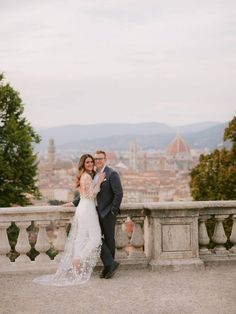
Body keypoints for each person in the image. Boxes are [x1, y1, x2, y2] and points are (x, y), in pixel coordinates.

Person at [34, 154, 105, 286]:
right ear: (83, 164)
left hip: (82, 208)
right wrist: (100, 181)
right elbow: (91, 195)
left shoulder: (83, 175)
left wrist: (72, 203)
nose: (90, 164)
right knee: (95, 238)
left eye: (91, 162)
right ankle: (78, 259)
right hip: (88, 208)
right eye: (87, 162)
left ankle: (76, 263)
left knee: (81, 237)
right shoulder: (88, 176)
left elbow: (84, 195)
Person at [72, 150, 123, 279]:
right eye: (96, 159)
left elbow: (119, 193)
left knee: (108, 240)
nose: (97, 161)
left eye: (100, 159)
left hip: (107, 213)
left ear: (105, 159)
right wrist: (74, 202)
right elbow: (87, 192)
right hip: (93, 212)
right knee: (97, 239)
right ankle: (109, 264)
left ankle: (109, 268)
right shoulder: (93, 174)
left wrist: (113, 210)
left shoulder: (111, 174)